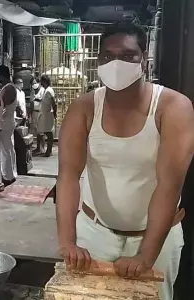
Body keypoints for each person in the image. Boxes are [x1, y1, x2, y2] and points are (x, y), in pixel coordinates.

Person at [56, 23, 194, 300]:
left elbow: (169, 185)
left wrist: (146, 254)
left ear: (144, 58)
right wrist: (68, 242)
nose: (116, 63)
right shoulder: (83, 108)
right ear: (98, 61)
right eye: (108, 56)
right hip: (95, 233)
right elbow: (68, 177)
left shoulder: (173, 108)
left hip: (155, 238)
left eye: (128, 55)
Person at [0, 65, 17, 186]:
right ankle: (10, 173)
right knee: (8, 147)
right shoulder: (9, 87)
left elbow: (0, 106)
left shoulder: (8, 88)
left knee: (5, 149)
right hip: (7, 121)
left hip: (5, 122)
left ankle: (7, 175)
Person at [35, 75, 56, 157]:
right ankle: (46, 149)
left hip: (47, 114)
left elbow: (53, 103)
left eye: (42, 82)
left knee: (48, 132)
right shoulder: (45, 90)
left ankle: (49, 150)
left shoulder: (49, 91)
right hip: (44, 114)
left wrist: (55, 113)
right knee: (45, 131)